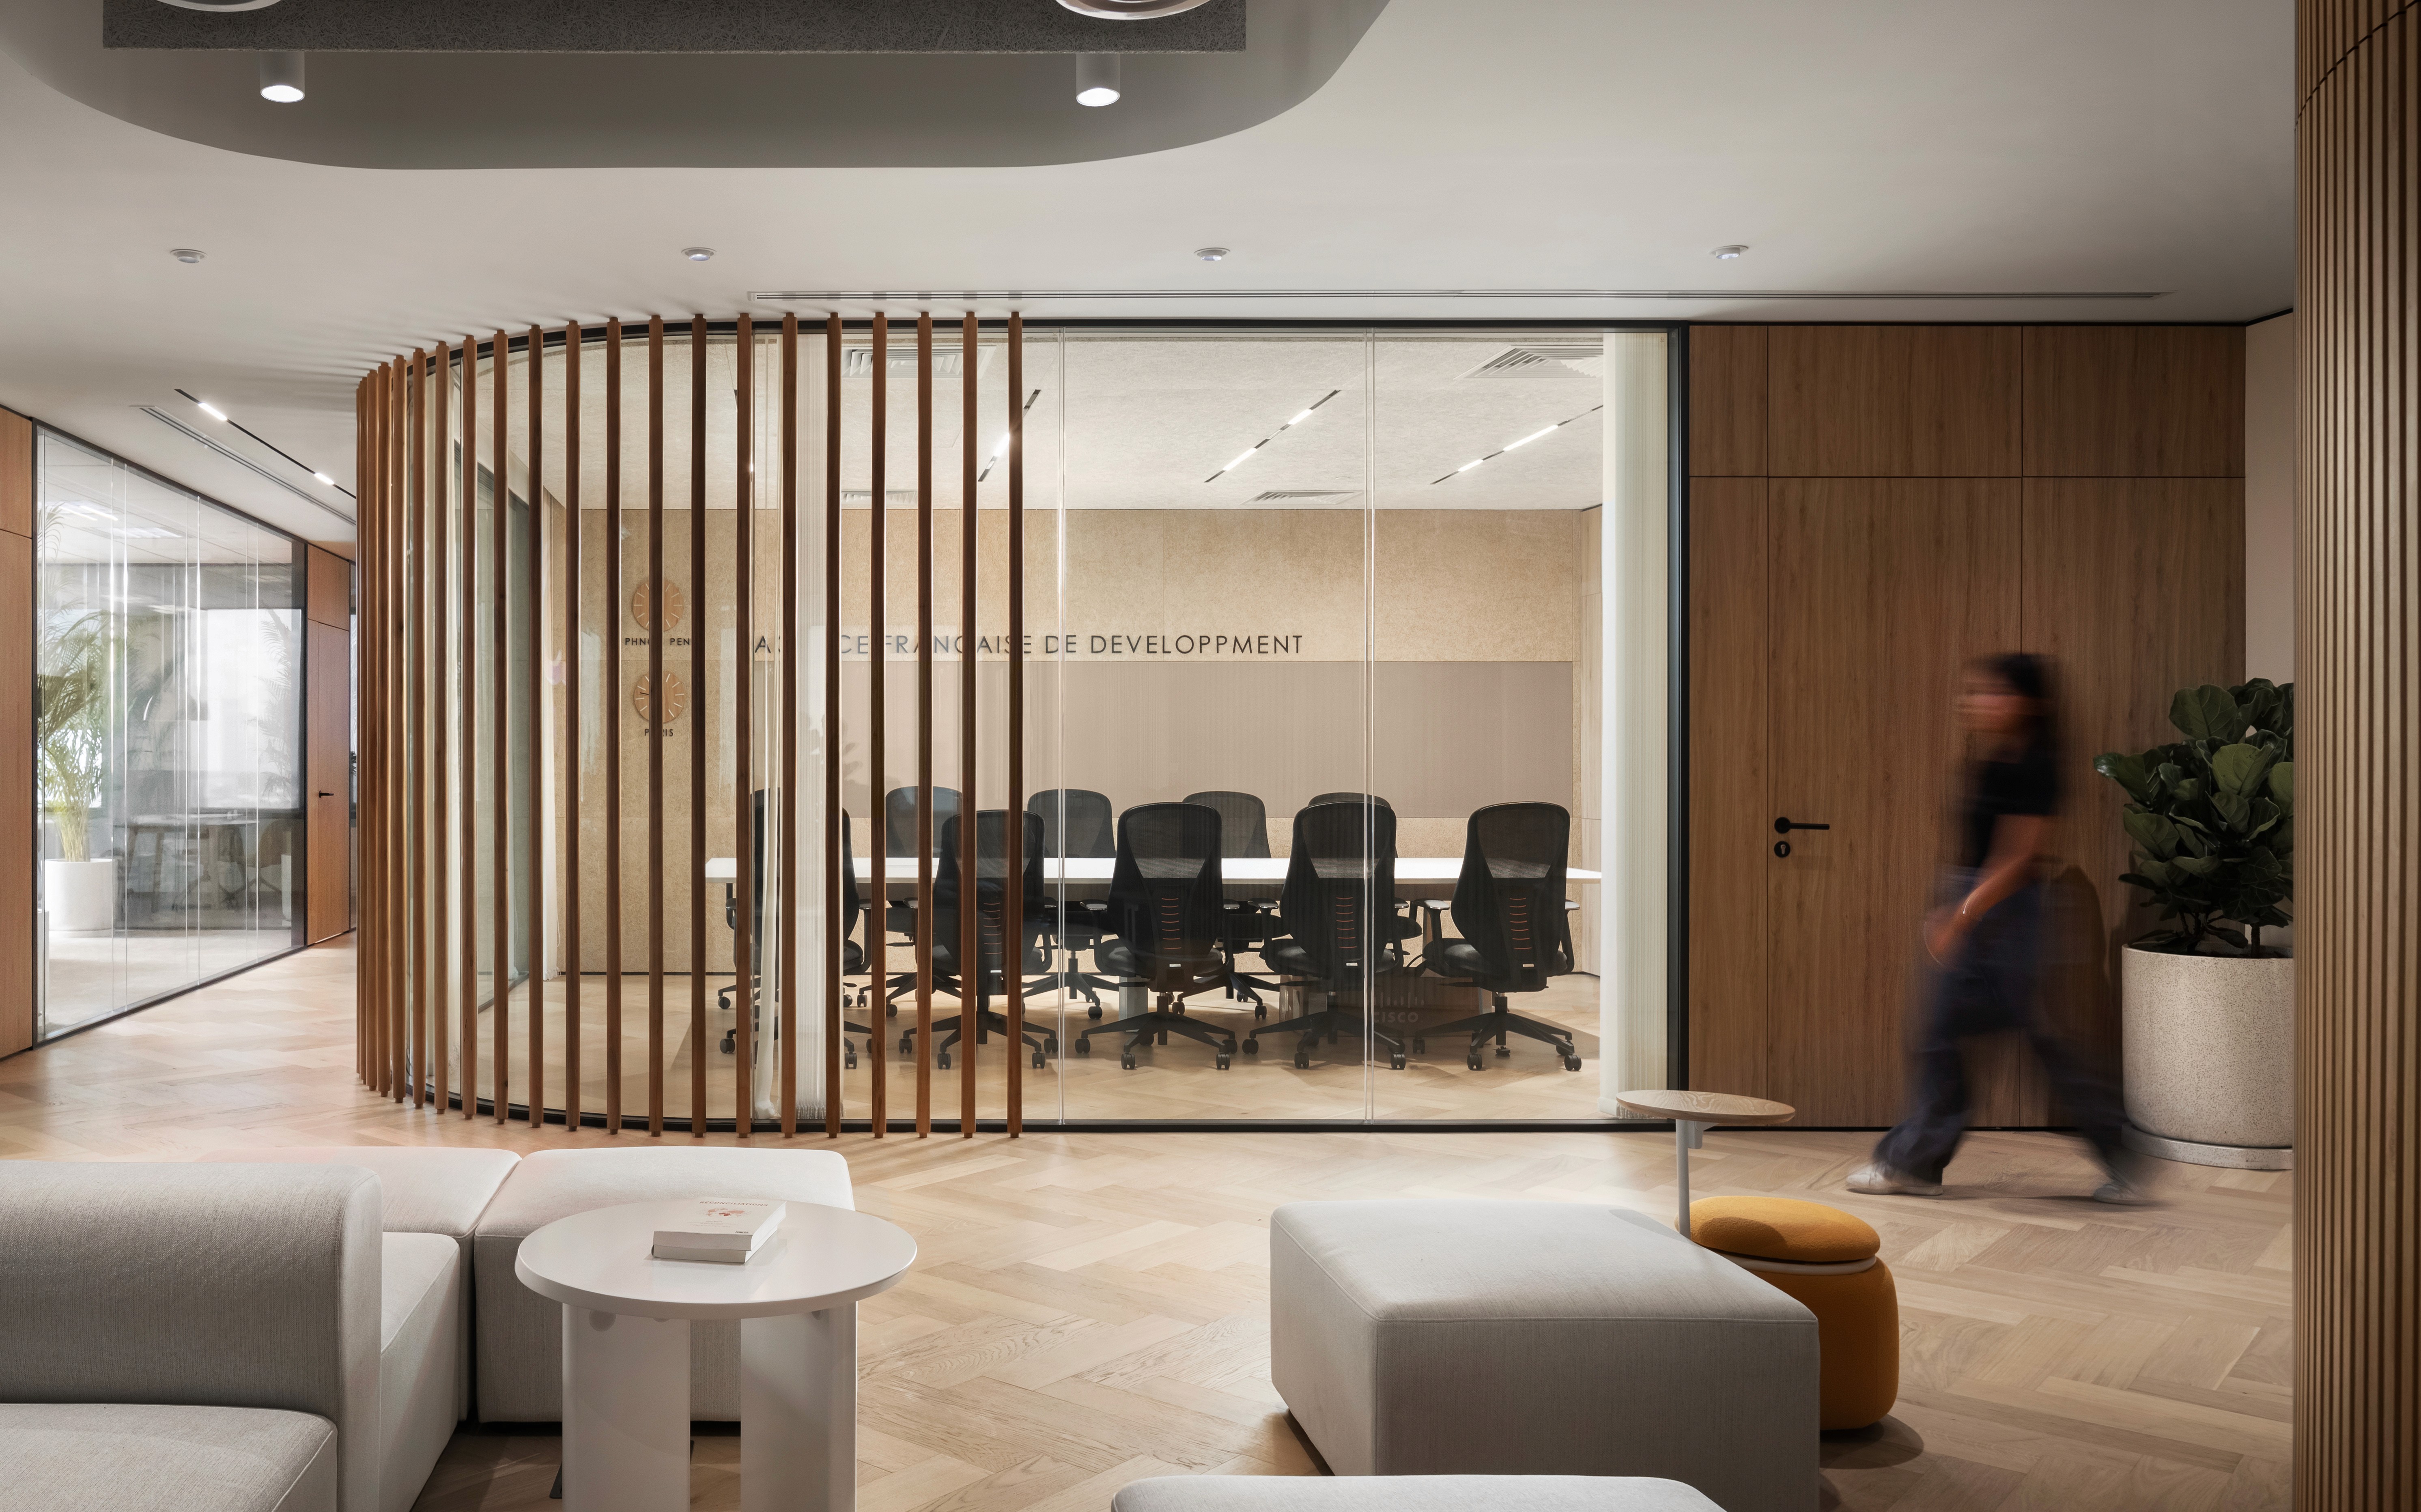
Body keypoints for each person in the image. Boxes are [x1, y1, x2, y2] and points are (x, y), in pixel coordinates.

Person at [1849, 653, 2149, 1204]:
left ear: (2028, 703)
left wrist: (1962, 915)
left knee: (1965, 1037)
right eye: (1977, 692)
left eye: (1994, 693)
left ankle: (1916, 1162)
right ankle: (2122, 1157)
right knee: (1971, 1039)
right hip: (1986, 909)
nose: (1978, 702)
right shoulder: (1995, 761)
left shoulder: (2035, 765)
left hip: (2006, 916)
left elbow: (2018, 859)